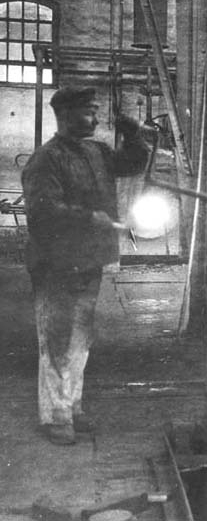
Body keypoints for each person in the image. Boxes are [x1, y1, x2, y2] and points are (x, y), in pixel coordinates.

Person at [22, 86, 149, 445]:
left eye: (95, 111)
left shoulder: (96, 152)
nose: (95, 118)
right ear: (66, 115)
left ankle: (72, 406)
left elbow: (132, 164)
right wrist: (91, 218)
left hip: (89, 259)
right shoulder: (46, 159)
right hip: (56, 263)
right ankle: (56, 416)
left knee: (80, 339)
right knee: (56, 340)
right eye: (89, 111)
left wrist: (134, 135)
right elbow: (43, 212)